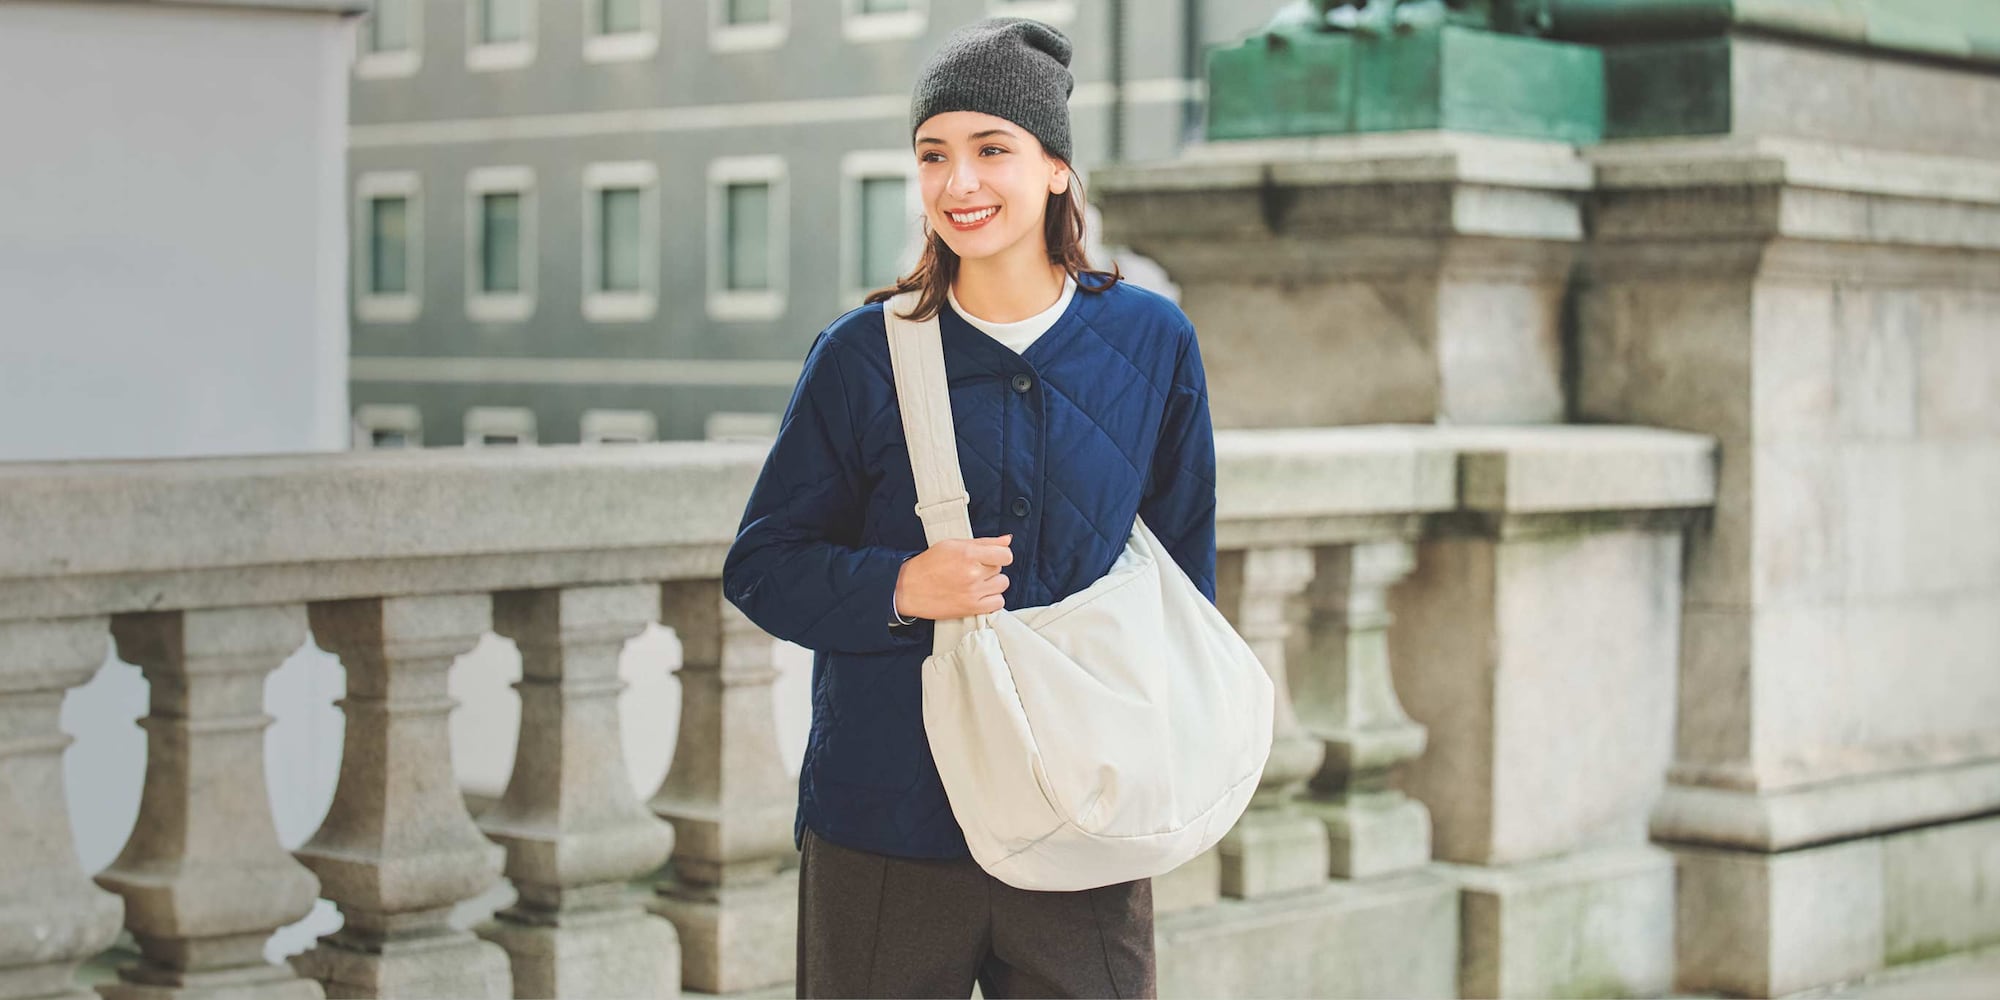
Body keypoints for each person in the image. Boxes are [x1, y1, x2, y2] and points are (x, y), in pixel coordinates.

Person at [721, 15, 1217, 999]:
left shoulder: (1151, 343)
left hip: (1080, 828)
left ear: (1056, 170)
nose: (959, 183)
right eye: (932, 154)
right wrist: (899, 584)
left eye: (992, 149)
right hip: (885, 828)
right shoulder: (862, 354)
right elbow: (762, 562)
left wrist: (1141, 756)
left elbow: (1181, 578)